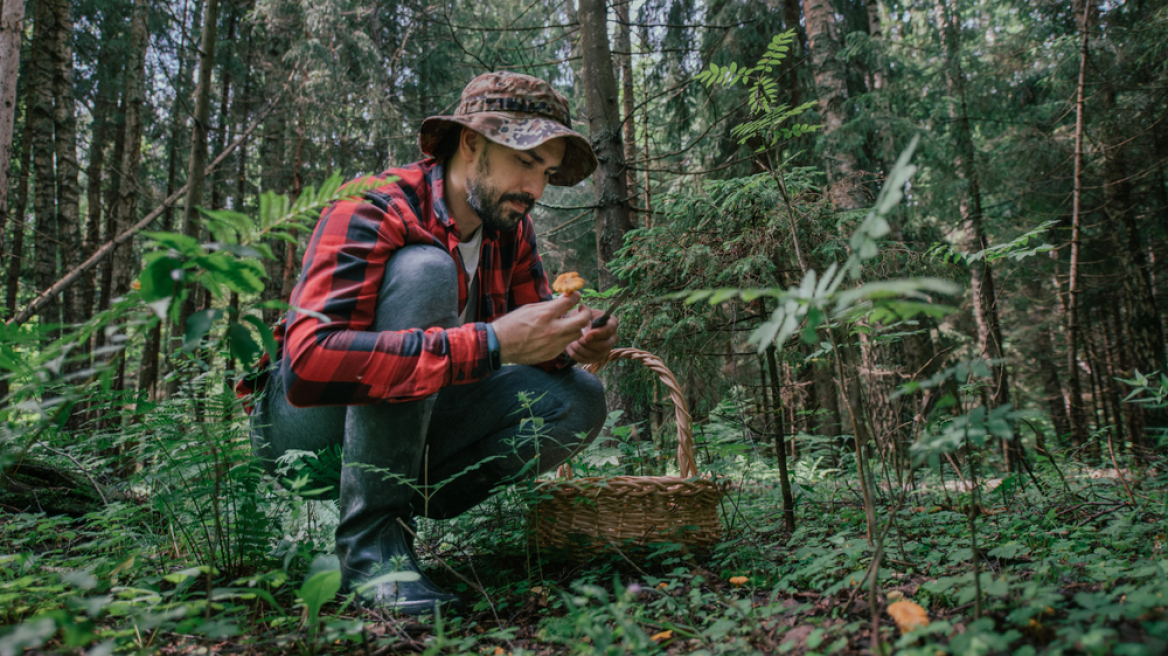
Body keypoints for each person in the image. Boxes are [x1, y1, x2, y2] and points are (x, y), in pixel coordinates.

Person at [240, 72, 619, 614]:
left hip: (417, 423)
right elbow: (307, 369)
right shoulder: (374, 206)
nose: (535, 190)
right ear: (471, 142)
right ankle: (370, 550)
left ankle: (404, 512)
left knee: (578, 398)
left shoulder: (509, 230)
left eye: (549, 172)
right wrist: (490, 343)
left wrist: (575, 343)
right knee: (427, 271)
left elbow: (527, 345)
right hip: (299, 425)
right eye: (525, 161)